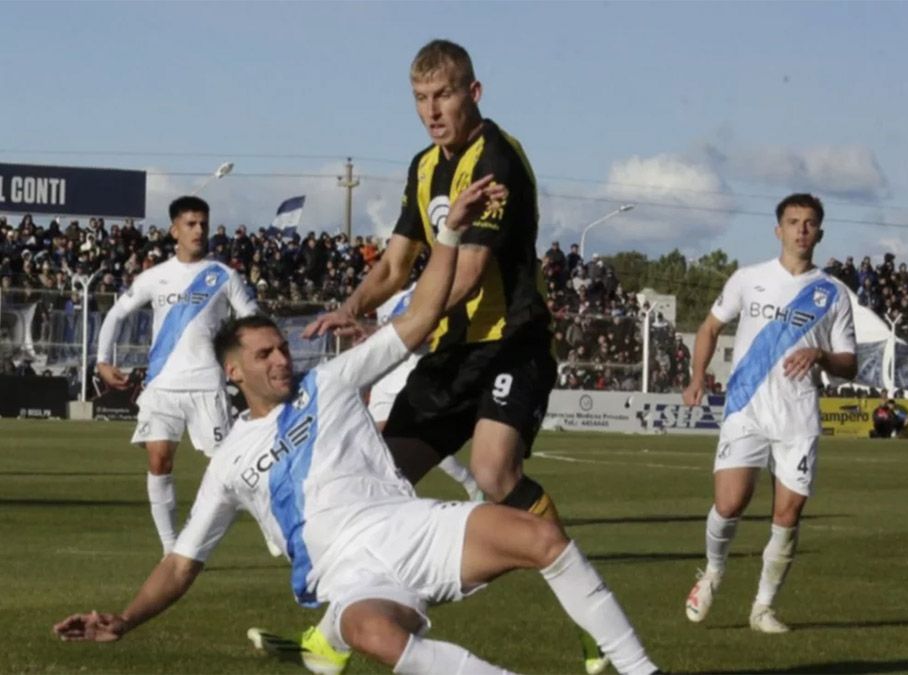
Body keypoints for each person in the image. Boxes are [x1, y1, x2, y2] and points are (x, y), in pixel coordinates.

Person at [53, 178, 659, 675]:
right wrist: (126, 618)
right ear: (233, 372)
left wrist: (448, 230)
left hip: (407, 525)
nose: (281, 359)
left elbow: (421, 316)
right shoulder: (230, 461)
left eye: (281, 349)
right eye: (264, 355)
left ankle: (640, 671)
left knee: (543, 540)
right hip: (346, 572)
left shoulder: (331, 382)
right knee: (373, 631)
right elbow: (181, 564)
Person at [293, 39, 603, 673]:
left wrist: (393, 329)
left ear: (473, 93)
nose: (432, 111)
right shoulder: (425, 166)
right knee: (378, 482)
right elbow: (399, 261)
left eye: (443, 96)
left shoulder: (496, 162)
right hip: (448, 353)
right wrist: (353, 306)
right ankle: (342, 626)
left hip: (510, 341)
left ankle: (592, 622)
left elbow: (465, 275)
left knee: (494, 473)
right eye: (420, 99)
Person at [682, 193, 857, 633]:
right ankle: (713, 572)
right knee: (729, 503)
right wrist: (697, 375)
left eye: (810, 223)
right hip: (746, 406)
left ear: (820, 232)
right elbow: (709, 327)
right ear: (777, 229)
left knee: (787, 516)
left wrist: (820, 354)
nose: (801, 229)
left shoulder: (832, 294)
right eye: (793, 221)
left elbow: (849, 363)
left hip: (797, 416)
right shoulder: (748, 279)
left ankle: (763, 608)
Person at [94, 196, 259, 555]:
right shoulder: (155, 276)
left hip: (207, 386)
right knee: (159, 460)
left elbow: (252, 321)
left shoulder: (223, 276)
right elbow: (116, 315)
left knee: (231, 471)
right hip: (163, 386)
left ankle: (271, 531)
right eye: (191, 224)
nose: (199, 230)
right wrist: (103, 361)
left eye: (203, 223)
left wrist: (250, 362)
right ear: (174, 230)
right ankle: (171, 550)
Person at [368, 284, 482, 501]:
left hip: (413, 371)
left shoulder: (424, 287)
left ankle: (468, 482)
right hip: (385, 377)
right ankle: (398, 501)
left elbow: (433, 328)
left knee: (409, 439)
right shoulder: (383, 300)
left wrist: (411, 335)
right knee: (377, 444)